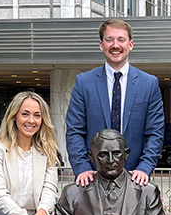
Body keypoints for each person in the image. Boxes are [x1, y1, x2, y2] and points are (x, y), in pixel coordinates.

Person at [65, 18, 165, 188]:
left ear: (131, 44)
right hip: (93, 178)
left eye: (121, 40)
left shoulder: (149, 84)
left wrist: (144, 168)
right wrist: (82, 168)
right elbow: (74, 130)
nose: (115, 45)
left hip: (135, 178)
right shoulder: (84, 82)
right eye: (109, 40)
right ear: (101, 45)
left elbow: (155, 132)